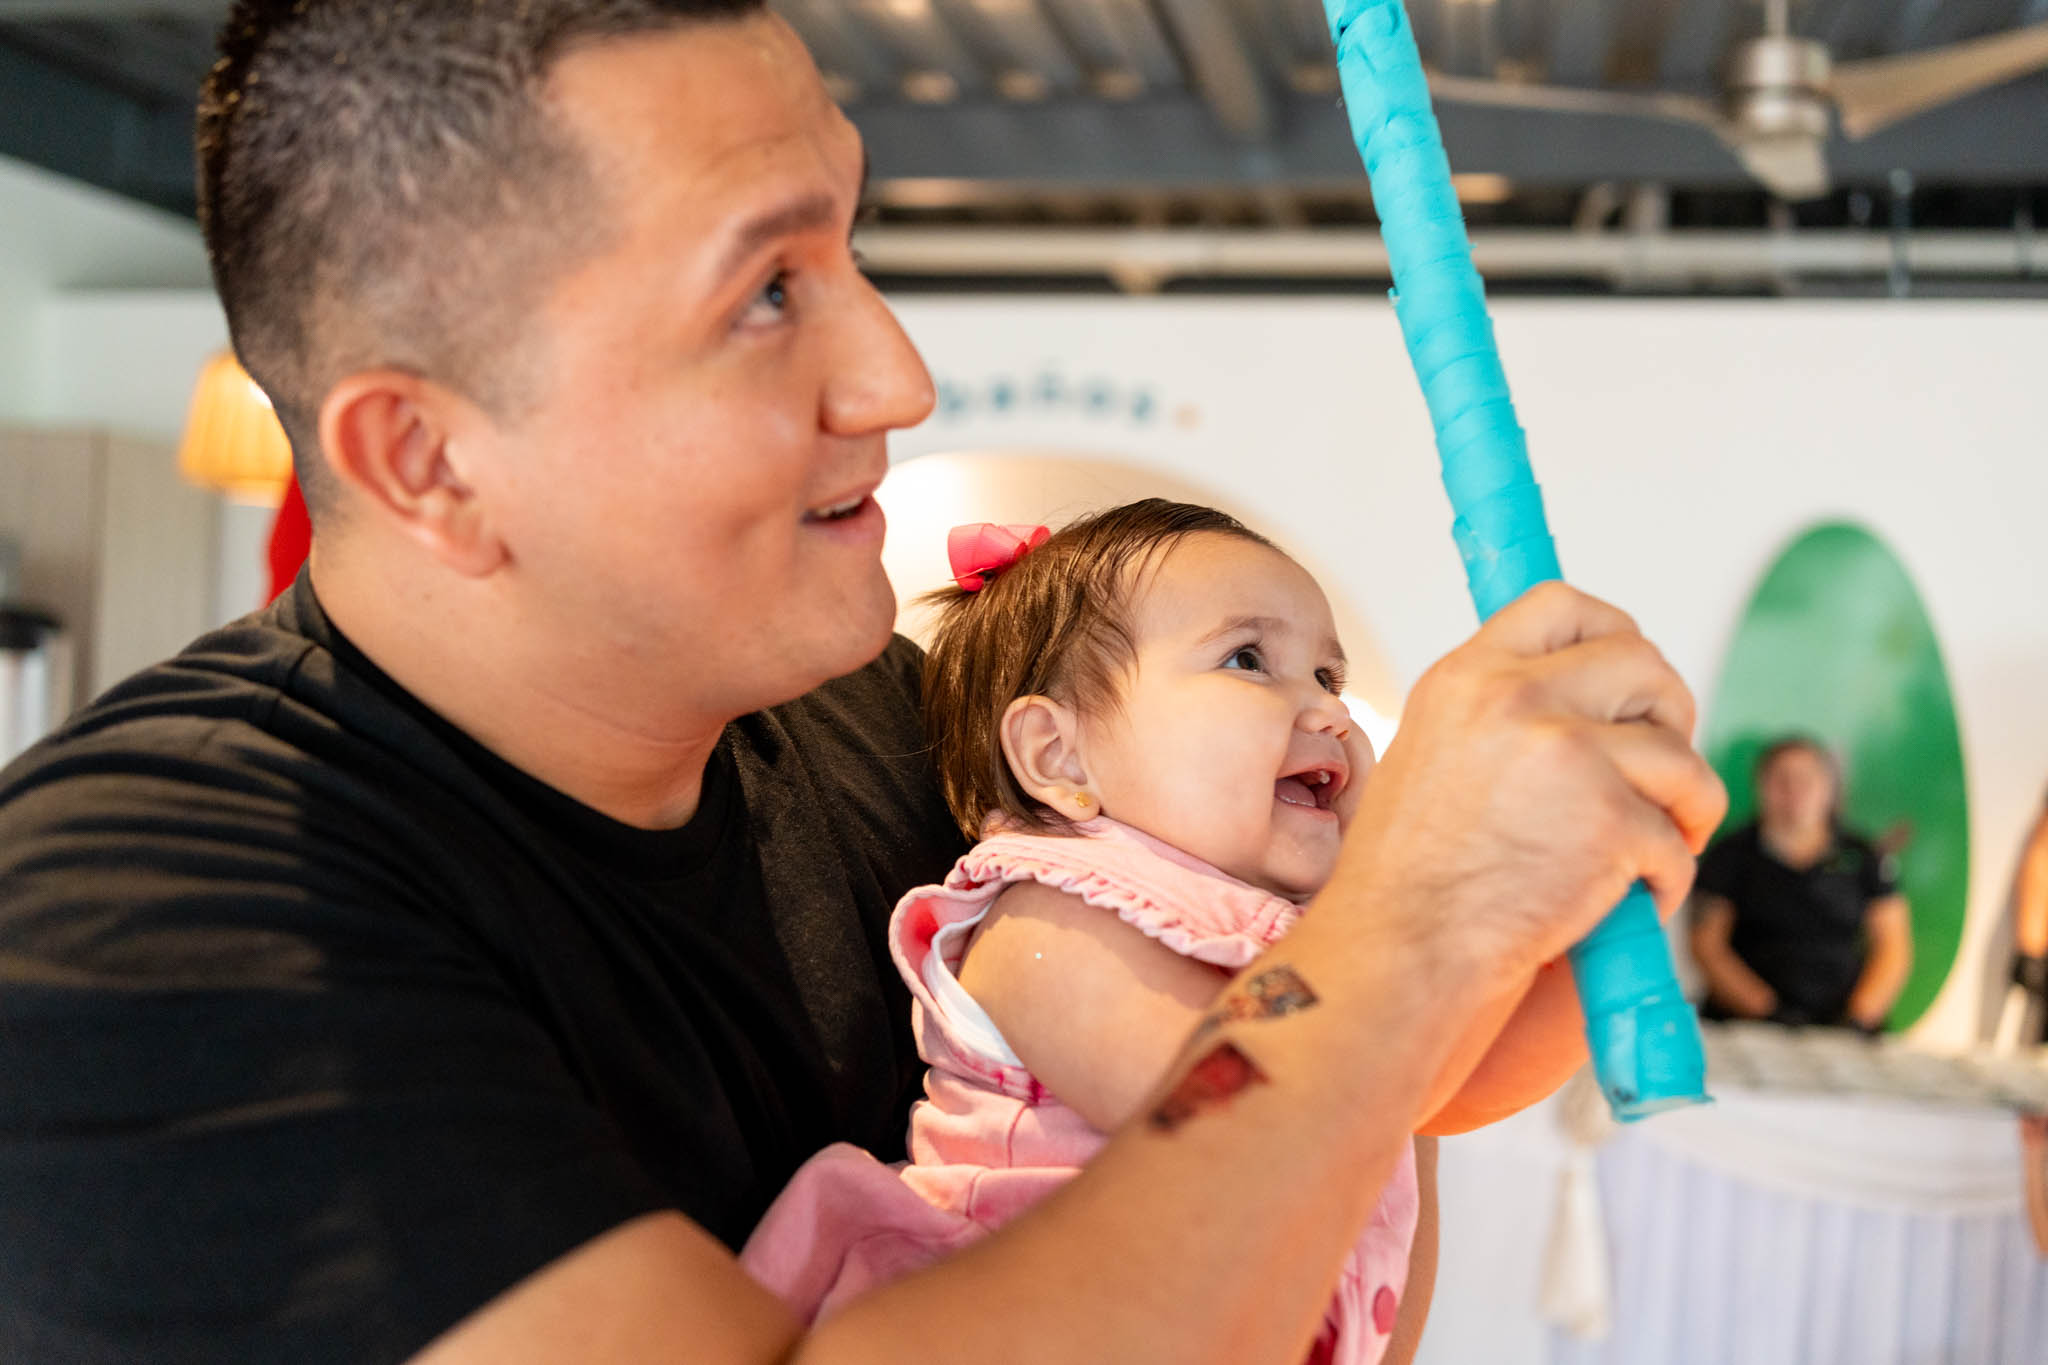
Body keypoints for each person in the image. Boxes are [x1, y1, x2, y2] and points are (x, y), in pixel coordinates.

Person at [0, 3, 1726, 1362]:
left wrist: (1534, 876)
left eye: (850, 247)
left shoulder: (915, 733)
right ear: (429, 461)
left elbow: (1328, 1183)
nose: (892, 370)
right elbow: (1311, 1101)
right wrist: (1407, 931)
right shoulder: (141, 927)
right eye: (766, 293)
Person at [744, 504, 1591, 1363]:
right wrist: (1411, 906)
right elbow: (1231, 1119)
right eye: (1248, 659)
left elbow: (1458, 1083)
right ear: (1059, 757)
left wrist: (1572, 938)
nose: (1331, 712)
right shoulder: (1050, 906)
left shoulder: (1313, 934)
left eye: (1329, 677)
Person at [1689, 736, 1913, 1031]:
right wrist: (1768, 1013)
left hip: (1845, 1027)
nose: (1794, 789)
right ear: (1761, 786)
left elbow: (1893, 947)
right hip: (1748, 1024)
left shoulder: (1862, 855)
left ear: (1828, 787)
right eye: (1781, 779)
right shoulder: (1728, 855)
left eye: (1806, 778)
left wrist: (1857, 1018)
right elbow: (1708, 946)